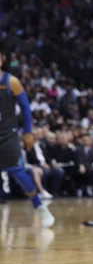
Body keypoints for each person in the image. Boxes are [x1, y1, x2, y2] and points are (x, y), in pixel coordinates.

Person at [0, 54, 55, 228]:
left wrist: (28, 132)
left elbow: (25, 107)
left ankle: (39, 206)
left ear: (1, 60)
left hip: (8, 134)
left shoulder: (11, 81)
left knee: (18, 172)